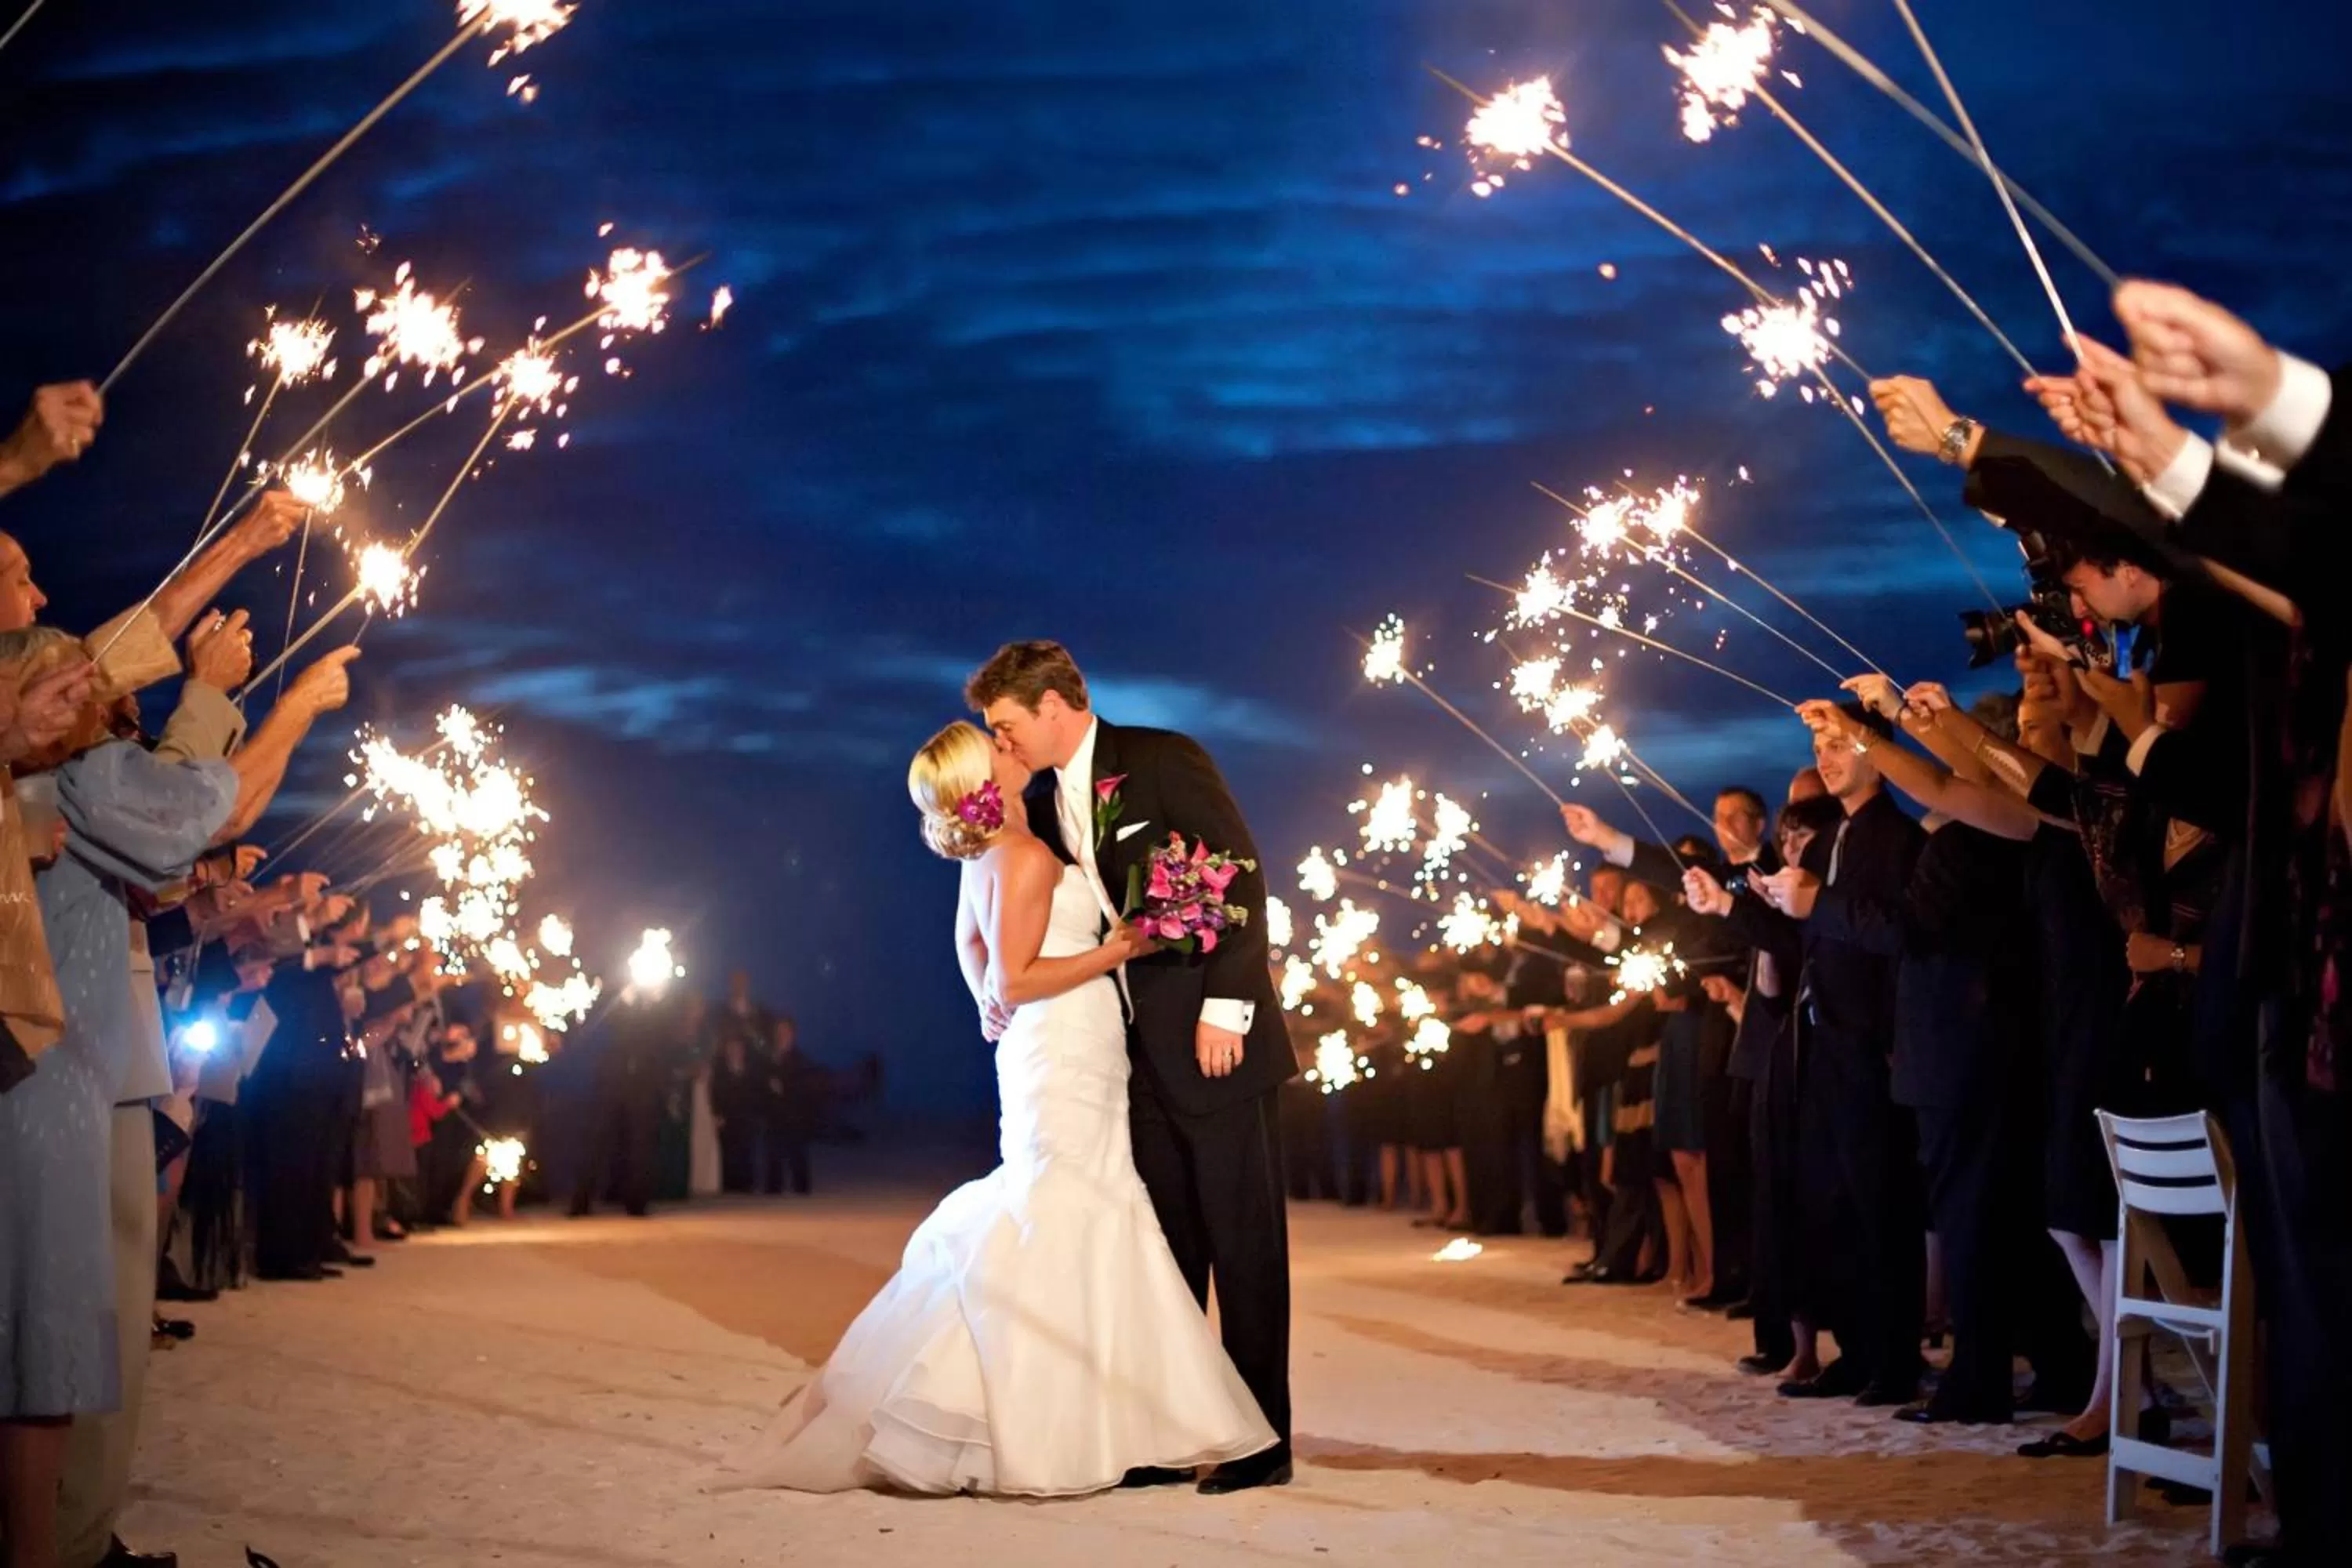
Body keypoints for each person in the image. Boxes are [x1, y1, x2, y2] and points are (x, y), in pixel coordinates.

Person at [732, 720, 1274, 1497]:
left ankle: (1105, 1415)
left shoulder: (992, 850)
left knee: (1075, 1202)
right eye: (997, 745)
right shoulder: (1019, 853)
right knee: (1069, 1204)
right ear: (983, 777)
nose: (1009, 745)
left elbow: (972, 947)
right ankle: (1049, 1417)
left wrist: (987, 994)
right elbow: (1016, 977)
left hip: (1050, 1042)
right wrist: (1114, 951)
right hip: (1061, 1039)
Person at [968, 641, 1296, 1494]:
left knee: (1244, 1241)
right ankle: (1174, 1428)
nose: (1001, 744)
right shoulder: (1039, 807)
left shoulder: (1162, 758)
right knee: (1169, 1247)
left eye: (1005, 725)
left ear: (1051, 705)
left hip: (1213, 1040)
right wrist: (989, 992)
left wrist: (1228, 1008)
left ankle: (1264, 1438)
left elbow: (1242, 877)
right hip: (1124, 1055)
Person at [0, 626, 236, 1568]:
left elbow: (171, 856)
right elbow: (192, 814)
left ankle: (67, 1539)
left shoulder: (68, 775)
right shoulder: (80, 773)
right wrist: (225, 692)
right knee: (43, 1338)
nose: (37, 588)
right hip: (48, 1073)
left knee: (58, 1336)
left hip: (83, 1066)